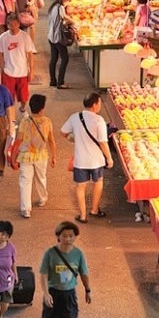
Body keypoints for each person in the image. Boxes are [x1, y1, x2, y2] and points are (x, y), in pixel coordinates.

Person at [39, 220, 91, 318]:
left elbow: (83, 273)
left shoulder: (78, 254)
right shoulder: (50, 253)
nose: (68, 238)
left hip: (69, 295)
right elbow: (43, 274)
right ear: (58, 237)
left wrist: (87, 290)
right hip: (54, 294)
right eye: (64, 236)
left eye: (71, 236)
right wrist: (46, 293)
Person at [61, 91, 114, 224]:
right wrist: (109, 158)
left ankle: (83, 215)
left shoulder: (75, 117)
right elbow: (103, 142)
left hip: (81, 160)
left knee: (80, 187)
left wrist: (73, 138)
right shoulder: (99, 121)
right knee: (98, 182)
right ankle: (95, 210)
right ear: (95, 105)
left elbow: (63, 132)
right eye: (99, 103)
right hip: (96, 160)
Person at [11, 94, 56, 218]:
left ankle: (26, 209)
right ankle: (42, 198)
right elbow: (51, 141)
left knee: (25, 181)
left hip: (26, 155)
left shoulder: (25, 122)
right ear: (42, 108)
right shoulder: (47, 121)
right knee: (41, 177)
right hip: (41, 155)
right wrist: (54, 156)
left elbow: (18, 141)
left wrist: (13, 158)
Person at [0, 13, 35, 112]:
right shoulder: (3, 37)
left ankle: (22, 107)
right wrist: (2, 68)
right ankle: (10, 113)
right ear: (7, 24)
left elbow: (30, 54)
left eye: (15, 24)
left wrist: (31, 71)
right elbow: (0, 53)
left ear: (18, 24)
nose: (13, 27)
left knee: (23, 96)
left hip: (22, 71)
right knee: (8, 96)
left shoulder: (25, 36)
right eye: (10, 25)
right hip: (8, 72)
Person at [48, 0, 75, 90]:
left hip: (51, 36)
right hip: (58, 37)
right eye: (68, 0)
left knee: (54, 59)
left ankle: (53, 81)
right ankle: (60, 82)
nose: (68, 2)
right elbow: (64, 17)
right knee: (65, 59)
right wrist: (74, 22)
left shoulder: (52, 7)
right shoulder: (60, 7)